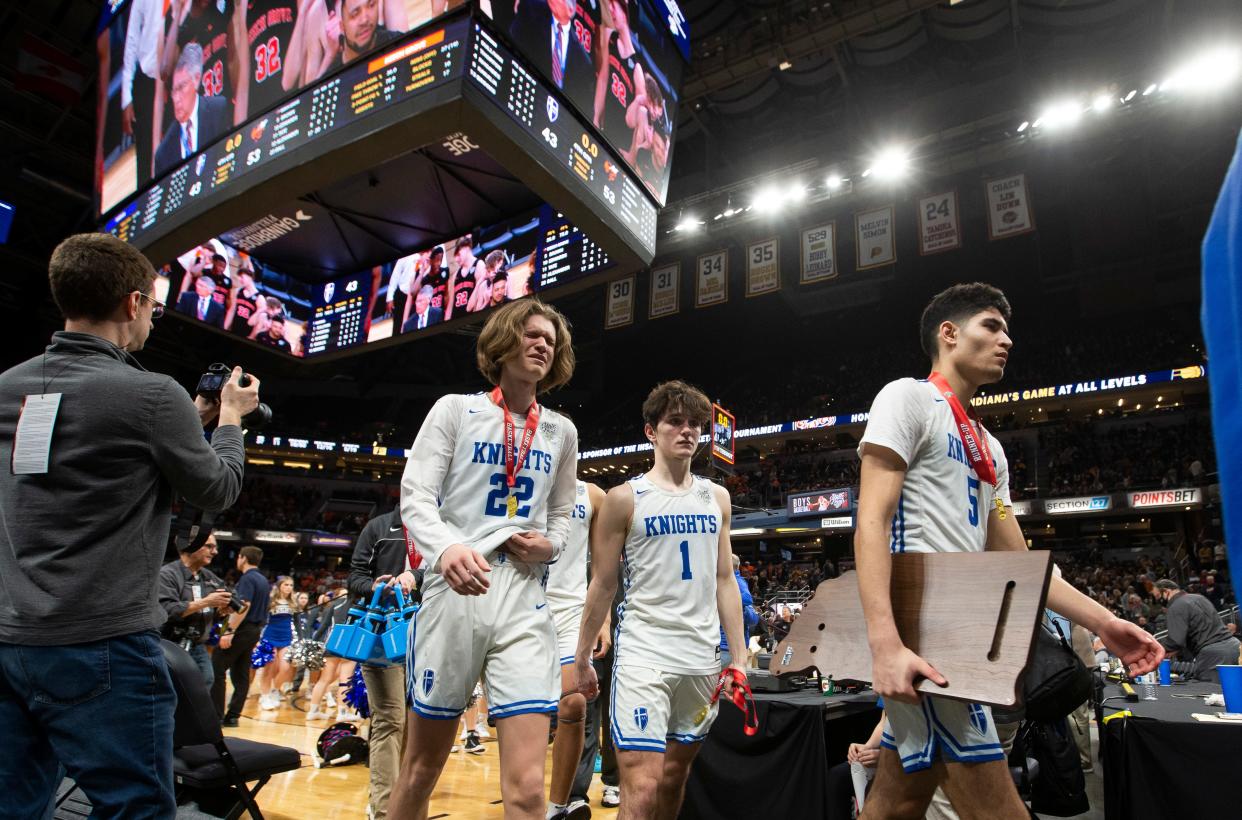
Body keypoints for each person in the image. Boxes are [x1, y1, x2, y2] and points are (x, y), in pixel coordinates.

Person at [854, 282, 1163, 819]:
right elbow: (871, 522)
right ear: (948, 334)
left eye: (1006, 330)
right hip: (924, 640)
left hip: (961, 640)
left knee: (894, 805)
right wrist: (884, 644)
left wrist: (1107, 623)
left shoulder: (989, 449)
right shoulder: (907, 398)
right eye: (991, 327)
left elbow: (1018, 567)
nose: (1007, 340)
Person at [0, 232, 254, 818]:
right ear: (133, 304)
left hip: (13, 640)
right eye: (155, 309)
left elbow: (78, 452)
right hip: (104, 643)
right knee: (135, 810)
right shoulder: (150, 394)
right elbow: (218, 487)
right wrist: (231, 421)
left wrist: (187, 422)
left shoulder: (10, 385)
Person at [388, 298, 579, 820]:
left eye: (551, 340)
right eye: (532, 334)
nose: (543, 344)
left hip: (522, 595)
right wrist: (446, 547)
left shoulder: (562, 431)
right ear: (503, 341)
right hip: (455, 591)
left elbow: (563, 512)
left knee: (527, 789)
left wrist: (553, 544)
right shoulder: (455, 409)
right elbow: (416, 495)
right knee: (421, 771)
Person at [574, 380, 749, 820]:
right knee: (645, 786)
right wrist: (580, 657)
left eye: (695, 423)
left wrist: (740, 659)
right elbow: (602, 585)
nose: (687, 431)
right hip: (643, 653)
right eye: (675, 421)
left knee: (673, 780)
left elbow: (725, 580)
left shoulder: (717, 498)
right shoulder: (623, 499)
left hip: (701, 659)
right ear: (651, 431)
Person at [348, 507, 421, 820]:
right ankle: (383, 810)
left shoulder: (440, 527)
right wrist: (376, 587)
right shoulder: (379, 527)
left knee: (415, 726)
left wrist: (415, 577)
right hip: (381, 636)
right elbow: (355, 577)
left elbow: (445, 571)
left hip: (426, 636)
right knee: (390, 720)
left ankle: (403, 805)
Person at [546, 480, 606, 819]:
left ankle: (559, 805)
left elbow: (603, 567)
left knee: (575, 699)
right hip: (524, 605)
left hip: (572, 611)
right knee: (530, 712)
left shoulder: (593, 494)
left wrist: (604, 621)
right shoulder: (520, 479)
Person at [159, 533, 232, 689]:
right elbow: (167, 611)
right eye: (209, 546)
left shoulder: (208, 576)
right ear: (190, 546)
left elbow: (231, 598)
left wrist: (222, 610)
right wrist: (206, 602)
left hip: (198, 645)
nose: (215, 552)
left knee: (204, 684)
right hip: (170, 645)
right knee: (172, 690)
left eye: (215, 547)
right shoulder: (167, 574)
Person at [212, 546, 272, 727]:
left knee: (216, 668)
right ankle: (233, 716)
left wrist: (229, 631)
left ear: (243, 558)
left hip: (242, 629)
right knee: (241, 673)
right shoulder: (263, 580)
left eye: (238, 557)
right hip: (254, 630)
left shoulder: (248, 578)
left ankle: (216, 716)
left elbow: (243, 606)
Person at [154, 43, 232, 175]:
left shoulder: (218, 111)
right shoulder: (163, 153)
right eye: (174, 91)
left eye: (181, 87)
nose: (176, 98)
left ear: (196, 80)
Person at [509, 0, 595, 107]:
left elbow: (580, 98)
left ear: (570, 10)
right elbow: (512, 42)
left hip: (557, 114)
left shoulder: (583, 61)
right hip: (523, 91)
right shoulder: (532, 9)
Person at [1155, 578, 1240, 683]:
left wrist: (1155, 649)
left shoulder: (1176, 606)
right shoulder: (1199, 597)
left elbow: (1175, 641)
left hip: (1214, 655)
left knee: (1213, 695)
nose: (1158, 601)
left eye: (1158, 597)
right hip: (1235, 647)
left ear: (1166, 592)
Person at [121, 0, 164, 187]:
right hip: (148, 78)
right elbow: (131, 40)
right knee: (146, 156)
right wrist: (126, 98)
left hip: (178, 70)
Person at [307, 586, 357, 721]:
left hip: (332, 641)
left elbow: (323, 626)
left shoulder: (333, 605)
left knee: (324, 679)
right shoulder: (357, 603)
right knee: (345, 679)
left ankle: (313, 710)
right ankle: (342, 713)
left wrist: (312, 644)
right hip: (348, 641)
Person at [326, 0, 404, 74]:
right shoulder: (332, 77)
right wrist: (330, 54)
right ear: (342, 26)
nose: (364, 20)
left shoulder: (398, 41)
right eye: (355, 14)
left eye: (371, 5)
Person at [257, 576, 299, 710]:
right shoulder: (271, 600)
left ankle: (275, 690)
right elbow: (262, 619)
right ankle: (264, 695)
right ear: (280, 586)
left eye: (291, 585)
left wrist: (300, 638)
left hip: (286, 637)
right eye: (286, 585)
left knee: (285, 668)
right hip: (270, 636)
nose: (289, 588)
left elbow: (297, 622)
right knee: (269, 668)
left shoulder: (293, 602)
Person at [720, 554, 759, 668]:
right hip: (725, 645)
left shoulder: (736, 582)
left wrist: (722, 596)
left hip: (727, 646)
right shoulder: (726, 581)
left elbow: (747, 598)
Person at [447, 236, 483, 321]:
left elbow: (480, 298)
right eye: (455, 256)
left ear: (466, 248)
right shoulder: (455, 275)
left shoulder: (479, 265)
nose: (456, 259)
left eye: (458, 254)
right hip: (456, 319)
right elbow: (450, 304)